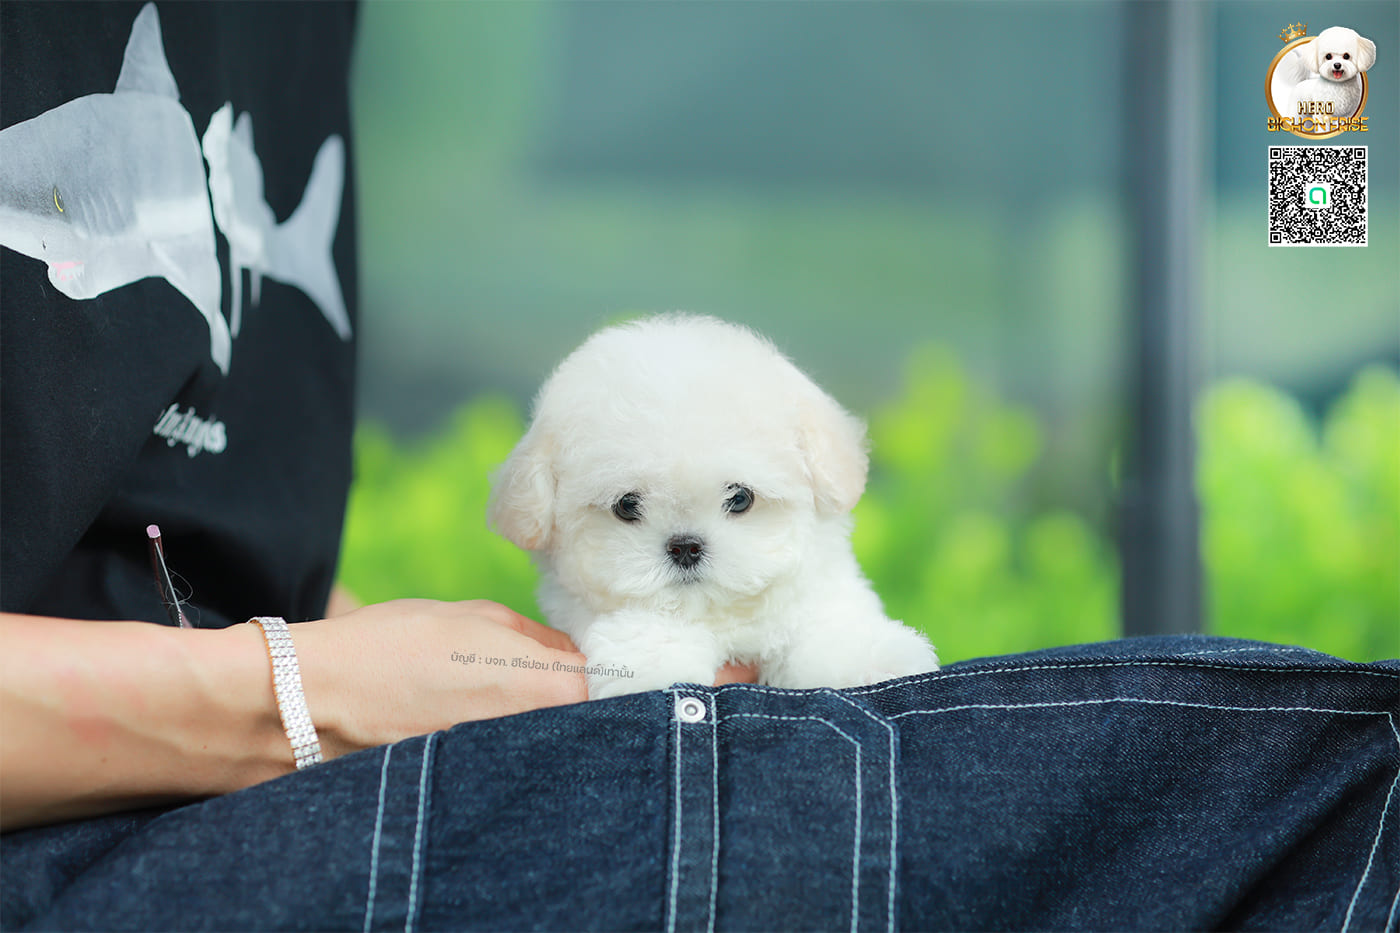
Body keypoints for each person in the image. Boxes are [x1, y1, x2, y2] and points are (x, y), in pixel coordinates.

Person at [3, 4, 1397, 930]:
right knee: (1334, 781)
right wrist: (300, 696)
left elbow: (197, 547)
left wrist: (400, 660)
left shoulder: (292, 34)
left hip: (263, 780)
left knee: (1316, 775)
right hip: (84, 845)